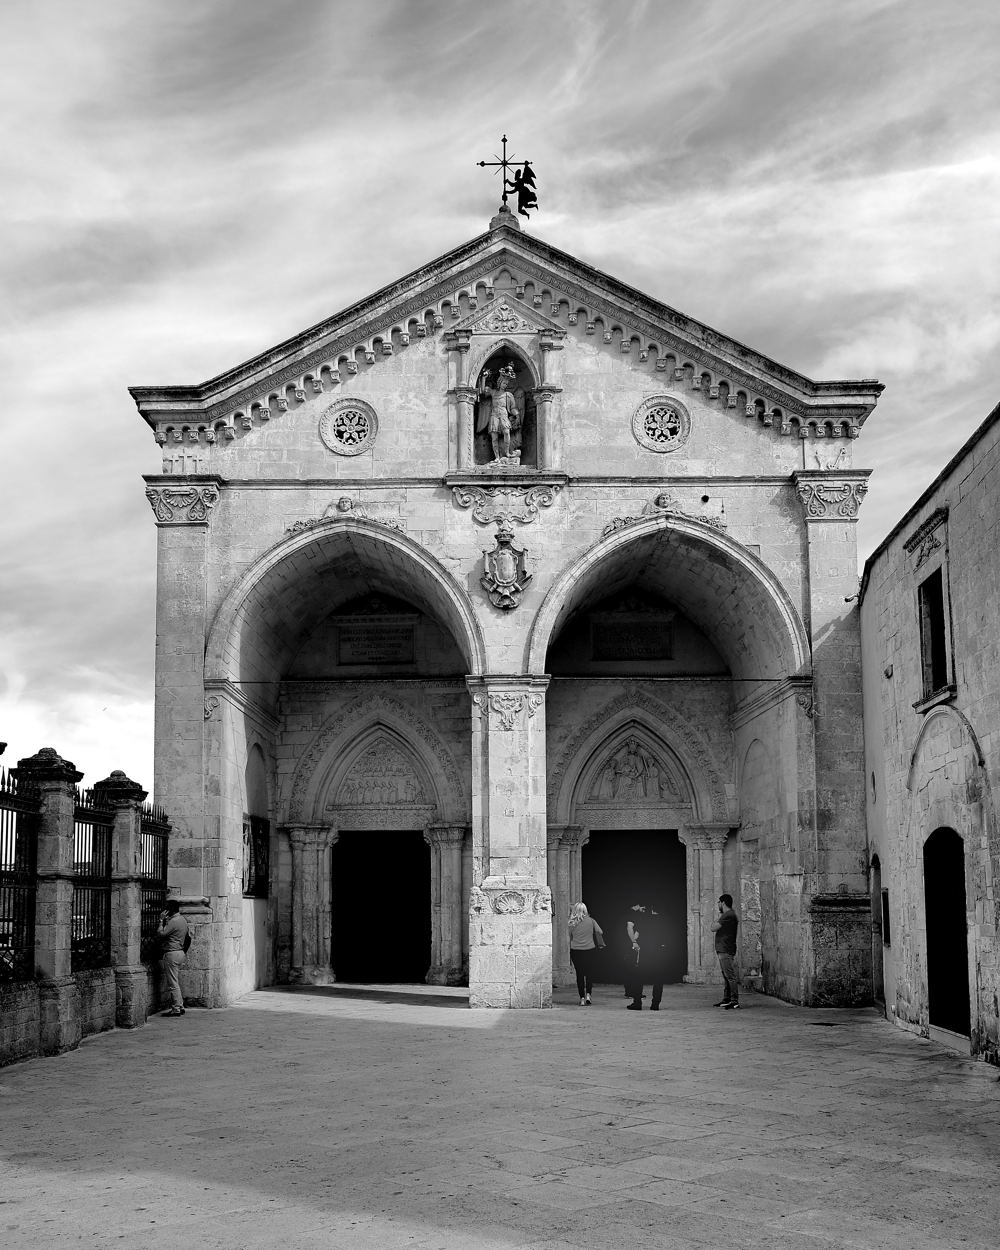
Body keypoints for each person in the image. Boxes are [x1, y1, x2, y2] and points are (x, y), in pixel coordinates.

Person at [625, 901, 667, 1010]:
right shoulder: (662, 920)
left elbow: (636, 935)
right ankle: (655, 1004)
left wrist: (634, 943)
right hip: (659, 951)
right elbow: (666, 937)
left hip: (645, 951)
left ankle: (637, 1003)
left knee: (638, 977)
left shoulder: (644, 920)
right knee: (659, 979)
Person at [477, 364, 521, 462]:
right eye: (504, 383)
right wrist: (483, 378)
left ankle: (507, 453)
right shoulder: (493, 392)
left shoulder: (508, 395)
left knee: (506, 432)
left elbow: (513, 408)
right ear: (499, 382)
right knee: (494, 437)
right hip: (494, 416)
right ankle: (497, 457)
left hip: (504, 415)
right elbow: (483, 391)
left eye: (506, 384)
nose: (505, 385)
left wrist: (517, 415)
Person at [158, 900, 190, 1018]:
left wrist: (161, 920)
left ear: (169, 910)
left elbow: (161, 934)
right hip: (180, 952)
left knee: (173, 983)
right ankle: (180, 1006)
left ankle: (176, 1008)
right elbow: (188, 937)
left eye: (166, 909)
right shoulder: (182, 920)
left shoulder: (173, 921)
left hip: (172, 953)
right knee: (175, 981)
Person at [568, 902, 604, 1005]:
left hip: (576, 950)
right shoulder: (591, 921)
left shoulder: (571, 922)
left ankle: (582, 998)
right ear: (585, 910)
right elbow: (600, 932)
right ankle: (588, 994)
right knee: (589, 973)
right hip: (589, 949)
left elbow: (570, 937)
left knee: (579, 974)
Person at [711, 893, 740, 1009]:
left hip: (726, 949)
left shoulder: (728, 915)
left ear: (723, 902)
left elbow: (713, 928)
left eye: (718, 902)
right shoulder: (728, 915)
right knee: (726, 975)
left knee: (730, 976)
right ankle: (727, 999)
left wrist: (716, 919)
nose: (718, 904)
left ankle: (734, 1001)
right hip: (724, 948)